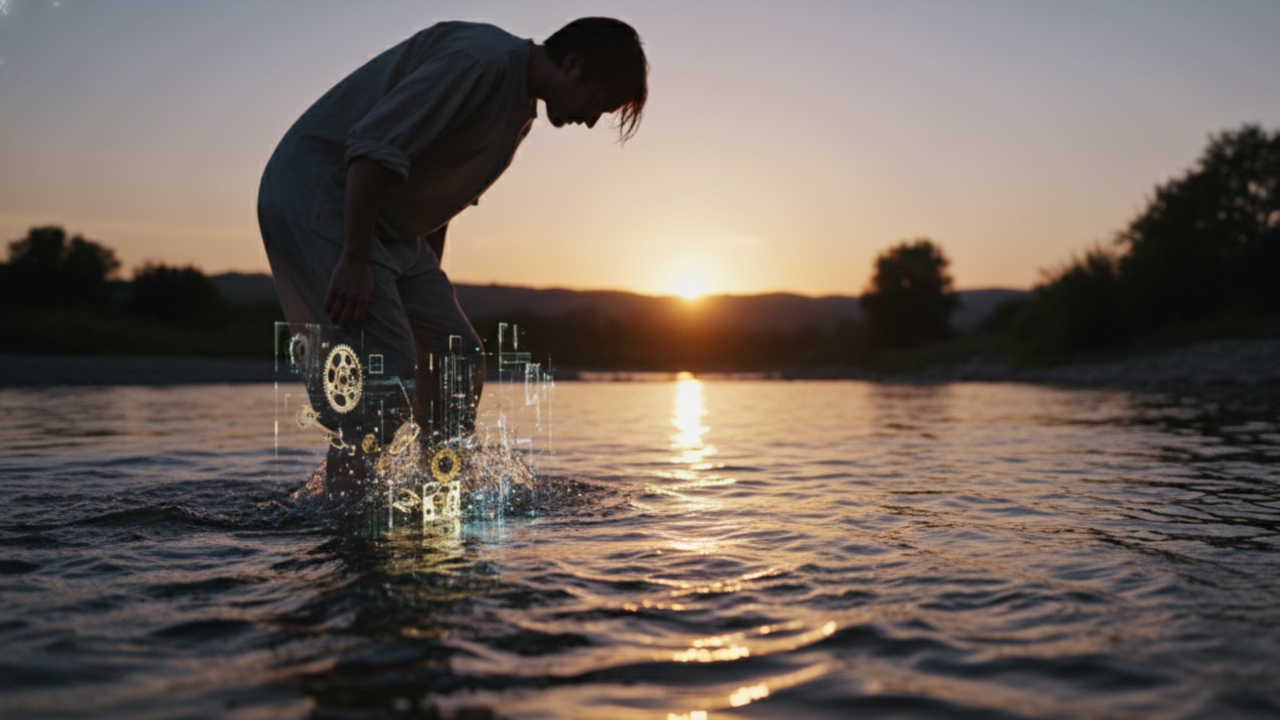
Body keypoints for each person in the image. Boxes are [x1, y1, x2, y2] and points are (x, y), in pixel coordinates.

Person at [258, 18, 648, 496]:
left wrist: (428, 291)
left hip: (389, 225)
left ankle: (438, 492)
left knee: (455, 358)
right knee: (388, 373)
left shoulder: (519, 108)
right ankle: (340, 516)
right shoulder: (479, 62)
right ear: (573, 63)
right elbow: (372, 149)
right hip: (323, 194)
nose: (591, 121)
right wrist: (354, 260)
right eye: (596, 104)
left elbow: (438, 198)